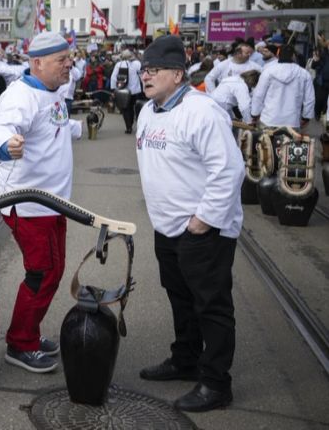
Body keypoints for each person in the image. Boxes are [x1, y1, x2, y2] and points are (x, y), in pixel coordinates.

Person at [134, 35, 244, 413]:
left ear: (178, 74)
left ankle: (216, 383)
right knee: (180, 298)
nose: (145, 76)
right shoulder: (149, 110)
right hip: (168, 228)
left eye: (155, 70)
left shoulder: (202, 111)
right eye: (143, 69)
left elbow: (229, 169)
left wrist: (203, 220)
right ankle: (185, 359)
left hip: (202, 230)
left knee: (210, 304)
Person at [0, 32, 82, 374]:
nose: (68, 64)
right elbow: (1, 128)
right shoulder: (20, 95)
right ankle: (20, 343)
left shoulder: (52, 92)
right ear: (37, 63)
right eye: (62, 60)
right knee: (44, 273)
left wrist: (75, 128)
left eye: (69, 58)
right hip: (28, 204)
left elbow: (52, 124)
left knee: (52, 271)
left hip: (53, 202)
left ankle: (28, 332)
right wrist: (6, 144)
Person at [251, 41, 315, 128]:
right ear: (293, 56)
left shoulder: (268, 71)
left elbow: (258, 94)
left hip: (269, 119)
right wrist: (306, 117)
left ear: (278, 55)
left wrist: (254, 114)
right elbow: (309, 99)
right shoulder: (304, 74)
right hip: (292, 122)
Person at [110, 49, 143, 133]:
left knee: (125, 108)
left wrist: (113, 89)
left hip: (123, 90)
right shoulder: (137, 64)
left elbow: (114, 77)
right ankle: (131, 122)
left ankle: (128, 126)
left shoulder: (119, 64)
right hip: (134, 90)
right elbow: (142, 76)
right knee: (132, 107)